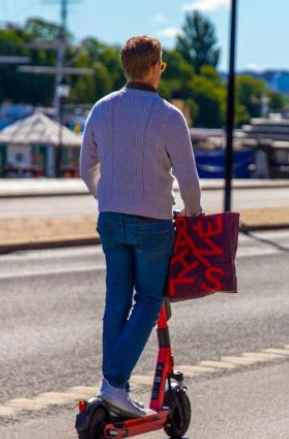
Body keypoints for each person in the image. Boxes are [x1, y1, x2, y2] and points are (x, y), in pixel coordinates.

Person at [80, 35, 203, 418]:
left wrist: (107, 197)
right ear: (155, 67)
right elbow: (188, 179)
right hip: (153, 223)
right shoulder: (169, 116)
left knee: (116, 299)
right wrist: (193, 215)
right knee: (149, 301)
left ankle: (112, 385)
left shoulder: (102, 109)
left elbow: (87, 167)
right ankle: (115, 383)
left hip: (111, 219)